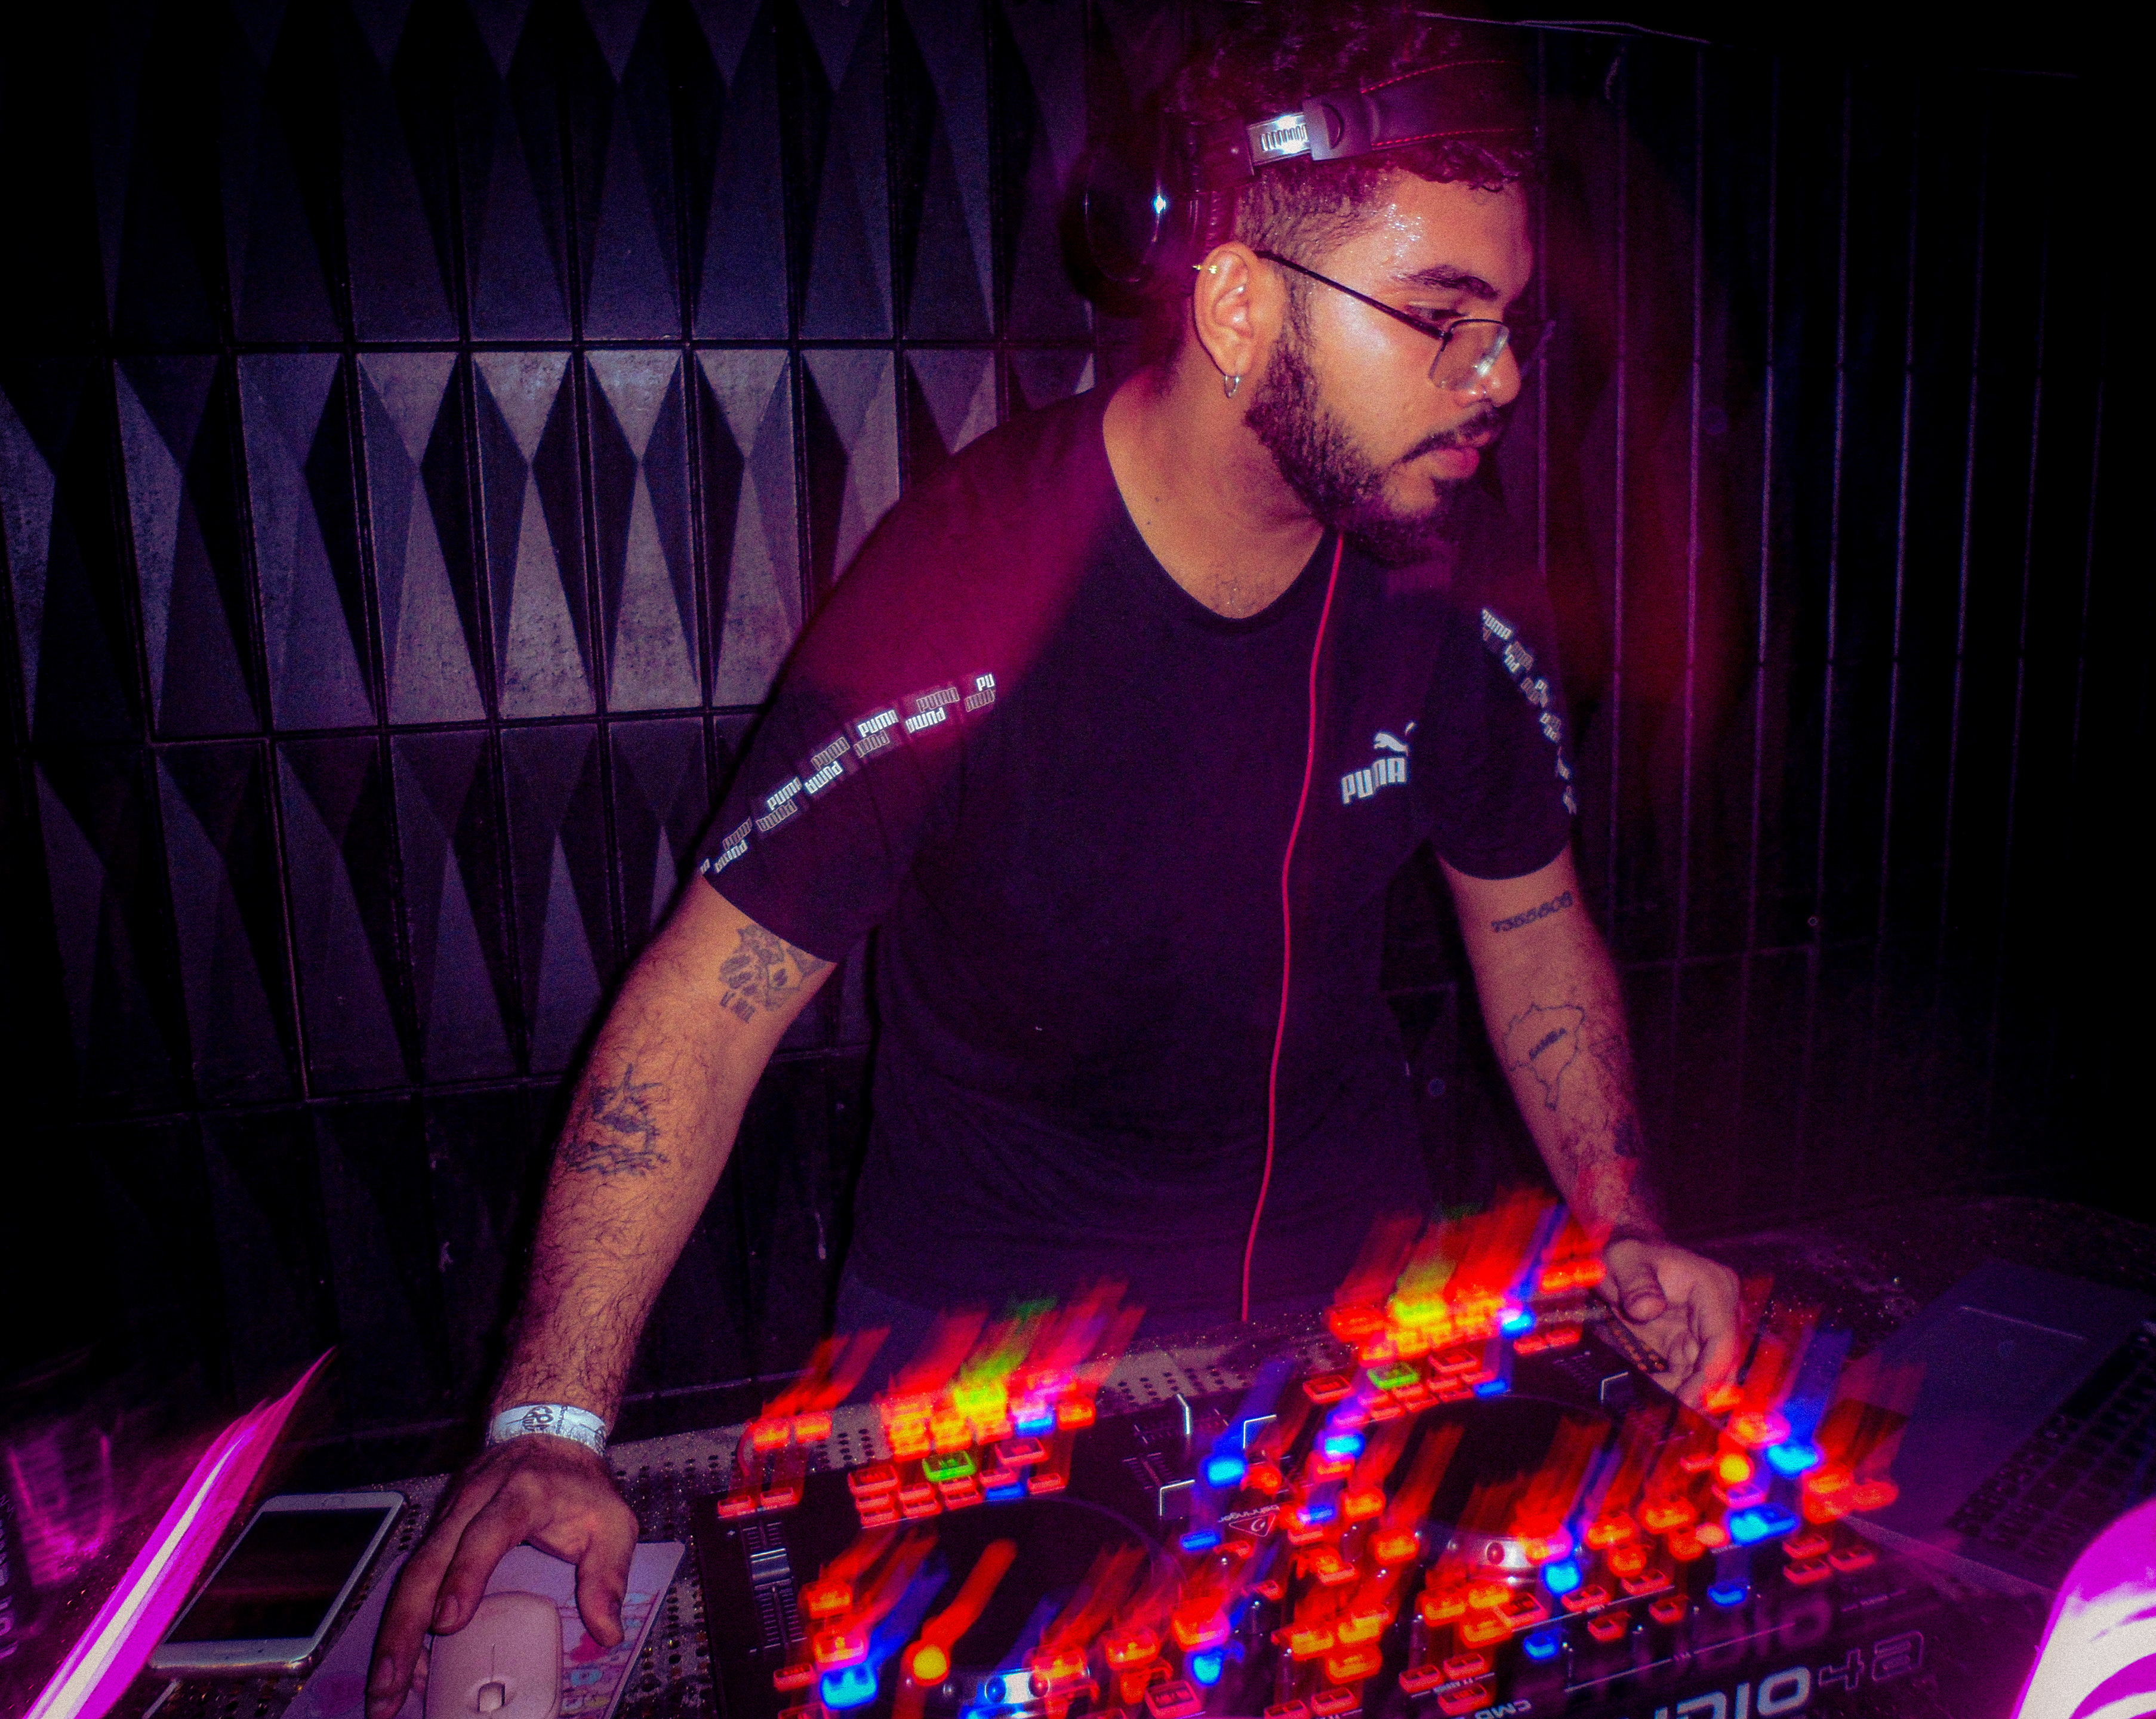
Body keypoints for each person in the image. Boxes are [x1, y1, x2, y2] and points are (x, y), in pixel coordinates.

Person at [364, 8, 1740, 1715]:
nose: (1503, 379)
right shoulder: (973, 577)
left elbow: (1529, 917)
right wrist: (550, 1422)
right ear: (1239, 308)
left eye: (1510, 324)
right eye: (1441, 319)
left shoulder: (1442, 569)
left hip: (1359, 1317)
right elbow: (708, 1001)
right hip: (989, 1345)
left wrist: (1624, 1224)